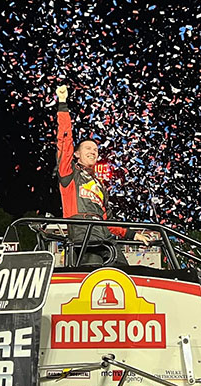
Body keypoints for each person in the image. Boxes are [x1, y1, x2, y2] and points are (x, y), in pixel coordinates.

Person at [55, 85, 150, 264]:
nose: (93, 152)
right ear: (76, 154)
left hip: (104, 237)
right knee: (95, 273)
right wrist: (62, 104)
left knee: (124, 271)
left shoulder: (99, 185)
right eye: (88, 148)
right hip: (83, 238)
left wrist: (132, 234)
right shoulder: (69, 174)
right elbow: (64, 141)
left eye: (96, 150)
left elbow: (108, 220)